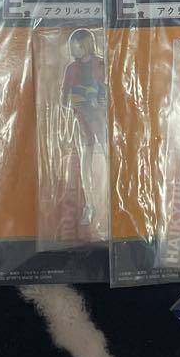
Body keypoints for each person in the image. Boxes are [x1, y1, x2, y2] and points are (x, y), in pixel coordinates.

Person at [62, 28, 107, 229]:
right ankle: (90, 206)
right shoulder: (71, 69)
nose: (74, 49)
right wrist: (75, 100)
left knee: (109, 158)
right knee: (85, 165)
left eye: (77, 46)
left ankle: (111, 200)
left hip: (101, 118)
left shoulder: (102, 64)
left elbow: (111, 90)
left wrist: (101, 98)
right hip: (81, 119)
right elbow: (64, 98)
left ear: (86, 45)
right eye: (72, 46)